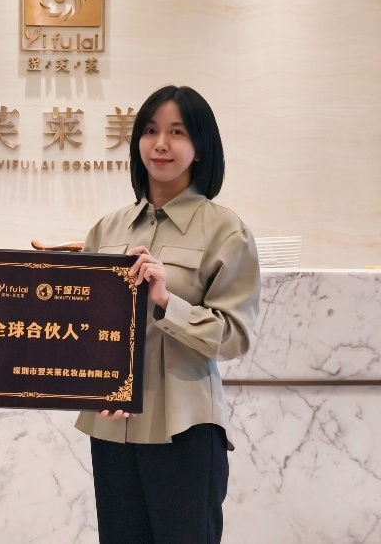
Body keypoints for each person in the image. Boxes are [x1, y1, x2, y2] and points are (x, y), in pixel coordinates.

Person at [76, 85, 262, 544]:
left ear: (200, 146)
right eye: (150, 131)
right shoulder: (107, 228)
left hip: (185, 429)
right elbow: (84, 326)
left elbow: (235, 336)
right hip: (112, 426)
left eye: (177, 132)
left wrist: (166, 301)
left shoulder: (226, 230)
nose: (161, 144)